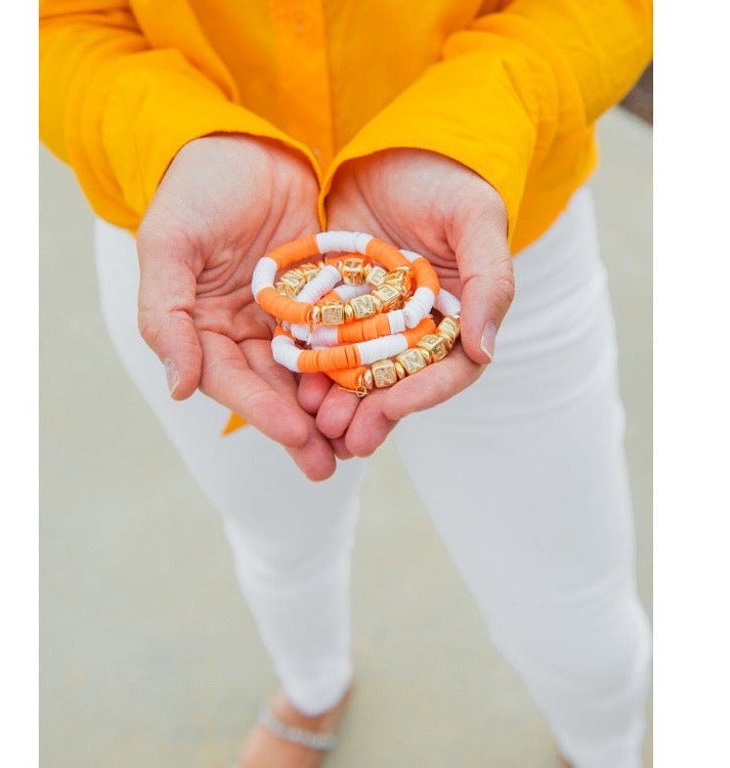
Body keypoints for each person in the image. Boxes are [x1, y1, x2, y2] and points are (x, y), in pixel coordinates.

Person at [40, 2, 653, 766]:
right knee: (277, 542)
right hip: (202, 260)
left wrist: (465, 128)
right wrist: (177, 141)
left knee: (575, 615)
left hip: (494, 225)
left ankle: (604, 746)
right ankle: (313, 684)